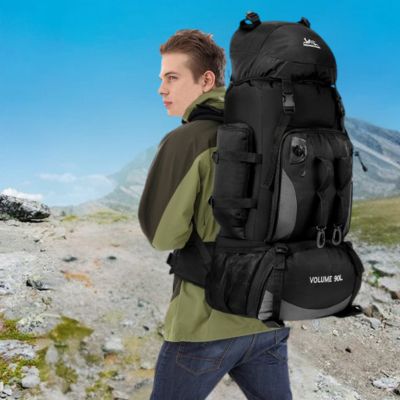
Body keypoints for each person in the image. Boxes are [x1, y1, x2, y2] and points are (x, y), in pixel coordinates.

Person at [138, 28, 293, 400]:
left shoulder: (187, 140)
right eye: (161, 79)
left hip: (204, 325)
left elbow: (162, 236)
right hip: (267, 320)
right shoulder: (272, 134)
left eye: (172, 78)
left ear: (206, 80)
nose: (161, 89)